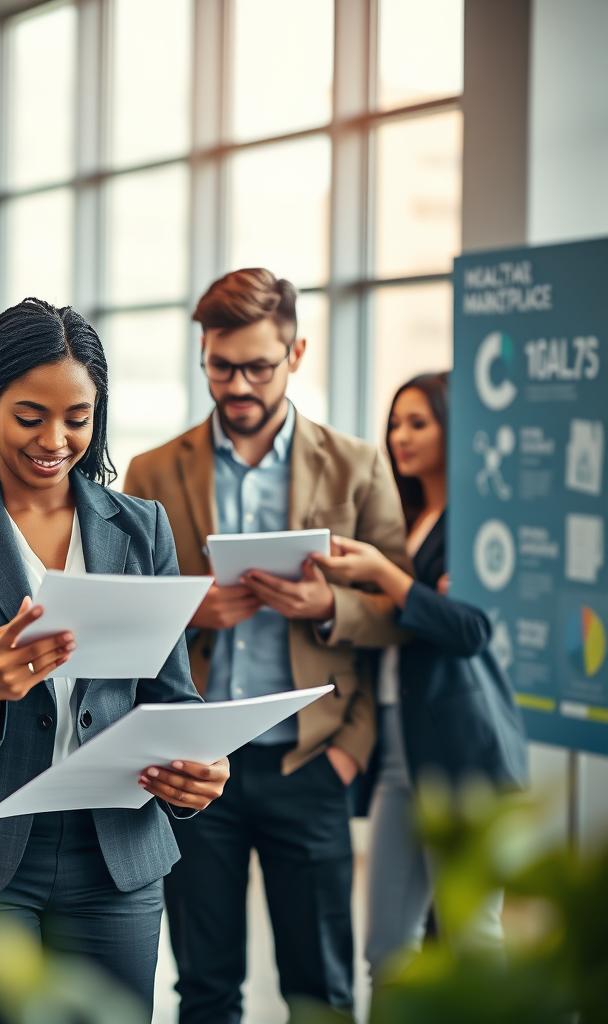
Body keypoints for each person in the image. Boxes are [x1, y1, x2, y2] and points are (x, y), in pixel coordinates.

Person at [0, 297, 229, 1022]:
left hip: (115, 856)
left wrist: (194, 763)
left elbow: (169, 694)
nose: (55, 439)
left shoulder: (140, 527)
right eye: (31, 415)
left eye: (78, 417)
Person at [123, 267, 409, 1022]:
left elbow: (395, 609)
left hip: (311, 758)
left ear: (297, 353)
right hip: (193, 767)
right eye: (221, 366)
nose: (238, 384)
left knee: (320, 987)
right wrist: (192, 610)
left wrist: (327, 608)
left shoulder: (356, 465)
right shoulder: (153, 472)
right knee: (204, 986)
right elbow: (122, 617)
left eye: (258, 366)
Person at [313, 371, 528, 980]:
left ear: (452, 427)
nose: (400, 436)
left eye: (419, 422)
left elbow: (469, 630)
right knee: (386, 948)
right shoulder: (402, 519)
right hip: (397, 755)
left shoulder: (473, 521)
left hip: (464, 754)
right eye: (396, 423)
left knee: (473, 937)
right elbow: (412, 617)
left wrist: (387, 576)